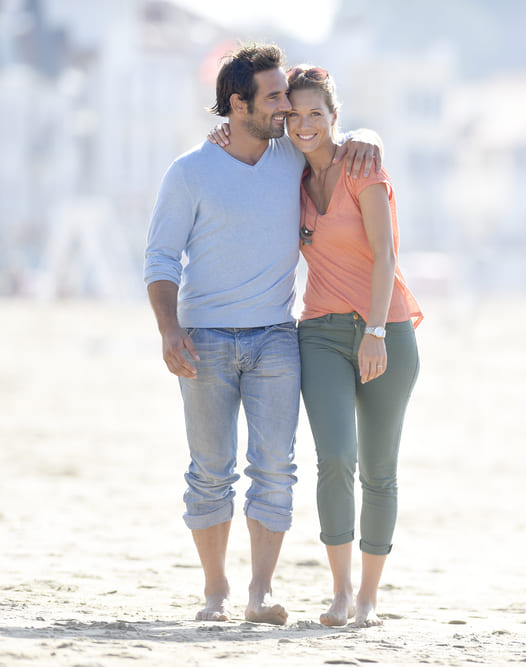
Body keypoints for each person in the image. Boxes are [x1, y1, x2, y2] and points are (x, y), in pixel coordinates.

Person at [143, 42, 382, 625]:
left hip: (277, 335)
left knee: (276, 467)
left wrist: (370, 134)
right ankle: (216, 592)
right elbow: (160, 259)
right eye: (274, 98)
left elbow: (337, 142)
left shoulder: (290, 159)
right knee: (210, 468)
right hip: (204, 338)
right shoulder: (190, 172)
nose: (286, 109)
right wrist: (169, 330)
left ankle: (261, 592)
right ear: (237, 104)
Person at [211, 64, 422, 628]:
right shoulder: (292, 178)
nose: (304, 125)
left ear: (335, 118)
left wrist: (376, 332)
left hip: (386, 330)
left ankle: (371, 600)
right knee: (335, 458)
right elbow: (239, 154)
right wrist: (218, 137)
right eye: (294, 114)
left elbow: (387, 256)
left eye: (316, 115)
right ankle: (341, 593)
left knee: (379, 469)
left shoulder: (364, 168)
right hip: (321, 332)